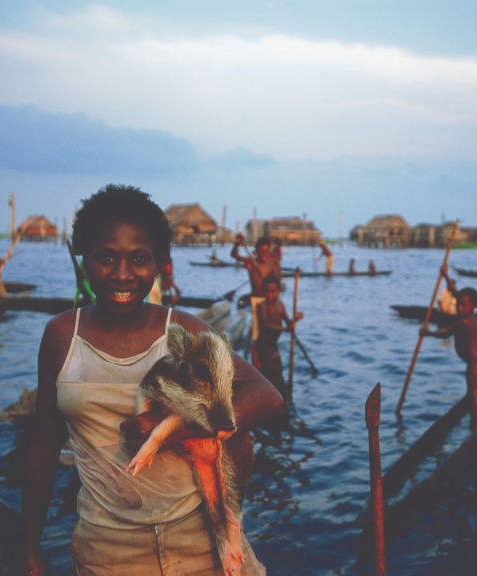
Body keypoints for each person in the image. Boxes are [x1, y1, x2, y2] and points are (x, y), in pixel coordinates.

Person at [21, 184, 283, 576]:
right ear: (84, 261)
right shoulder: (62, 336)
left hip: (201, 546)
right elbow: (44, 441)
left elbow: (266, 397)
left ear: (159, 263)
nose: (122, 274)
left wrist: (171, 431)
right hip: (108, 551)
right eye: (106, 258)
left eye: (138, 259)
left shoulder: (182, 330)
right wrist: (29, 545)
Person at [420, 274, 477, 430]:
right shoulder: (471, 314)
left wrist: (427, 332)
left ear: (473, 306)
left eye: (462, 305)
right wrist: (445, 275)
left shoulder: (463, 322)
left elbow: (444, 334)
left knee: (474, 393)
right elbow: (456, 293)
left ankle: (476, 423)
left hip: (475, 362)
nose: (458, 307)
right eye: (458, 304)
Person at [231, 234, 281, 366]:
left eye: (266, 251)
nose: (264, 254)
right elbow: (234, 255)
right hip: (256, 300)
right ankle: (256, 363)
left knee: (269, 333)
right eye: (261, 252)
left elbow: (277, 283)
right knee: (257, 334)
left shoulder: (272, 263)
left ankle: (268, 360)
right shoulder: (250, 262)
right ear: (257, 251)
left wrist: (276, 302)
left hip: (269, 301)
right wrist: (237, 243)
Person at [255, 275, 302, 396]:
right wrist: (284, 329)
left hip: (272, 346)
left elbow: (288, 323)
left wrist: (296, 319)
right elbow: (266, 325)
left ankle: (282, 397)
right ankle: (277, 397)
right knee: (272, 374)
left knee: (278, 371)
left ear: (278, 291)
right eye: (266, 291)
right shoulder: (262, 306)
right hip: (263, 346)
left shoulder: (280, 305)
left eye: (273, 291)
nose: (269, 294)